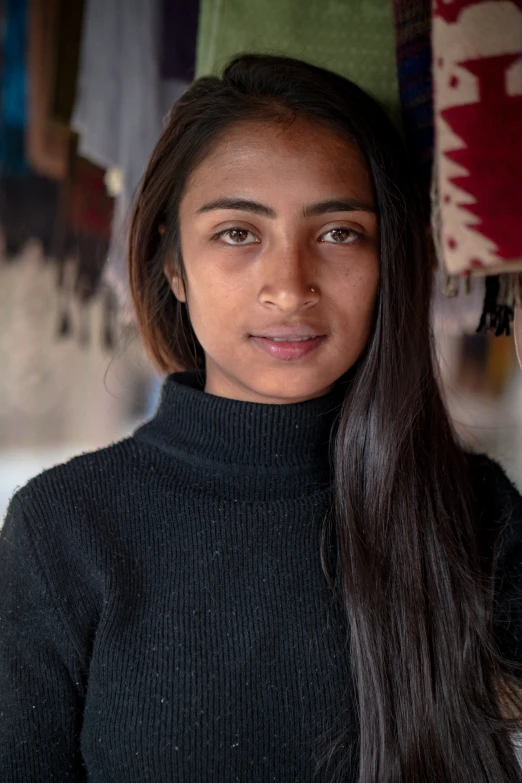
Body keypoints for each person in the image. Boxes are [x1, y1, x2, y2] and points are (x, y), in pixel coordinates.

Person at [1, 53, 522, 783]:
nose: (289, 286)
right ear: (172, 264)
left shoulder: (474, 512)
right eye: (238, 233)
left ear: (391, 258)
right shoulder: (63, 528)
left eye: (340, 232)